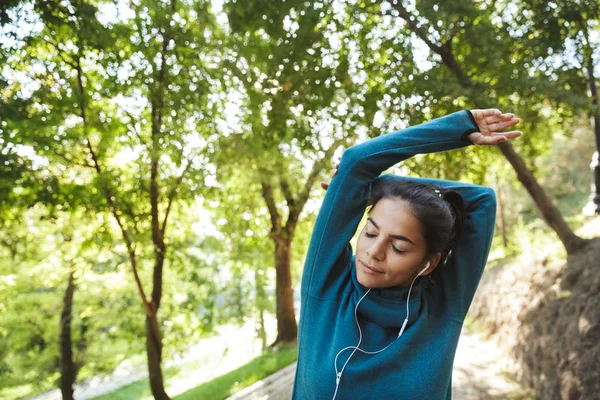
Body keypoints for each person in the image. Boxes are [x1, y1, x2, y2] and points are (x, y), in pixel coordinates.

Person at [291, 109, 523, 399]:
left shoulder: (443, 307)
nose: (373, 252)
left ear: (428, 263)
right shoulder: (326, 287)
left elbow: (481, 201)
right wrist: (458, 127)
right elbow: (354, 163)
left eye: (398, 247)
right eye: (371, 233)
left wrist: (377, 185)